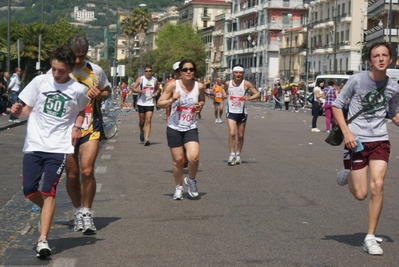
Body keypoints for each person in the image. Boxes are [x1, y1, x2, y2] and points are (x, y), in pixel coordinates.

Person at [10, 45, 90, 258]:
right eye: (53, 69)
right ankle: (48, 209)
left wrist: (76, 126)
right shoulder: (39, 82)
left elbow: (82, 111)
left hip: (58, 146)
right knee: (28, 189)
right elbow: (27, 108)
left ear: (71, 69)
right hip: (34, 143)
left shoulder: (78, 90)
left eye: (61, 71)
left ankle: (42, 240)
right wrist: (18, 112)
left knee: (49, 191)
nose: (56, 74)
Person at [333, 41, 399, 255]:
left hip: (380, 140)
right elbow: (336, 105)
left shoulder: (394, 86)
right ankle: (347, 174)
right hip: (357, 141)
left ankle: (369, 237)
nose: (380, 58)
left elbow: (393, 112)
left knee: (378, 185)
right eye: (376, 55)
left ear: (391, 59)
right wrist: (347, 133)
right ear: (369, 60)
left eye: (384, 55)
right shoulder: (357, 80)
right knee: (361, 194)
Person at [65, 35, 111, 235]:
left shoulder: (95, 70)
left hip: (90, 127)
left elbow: (107, 90)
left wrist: (99, 95)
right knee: (73, 174)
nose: (77, 61)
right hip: (65, 130)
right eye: (74, 57)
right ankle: (77, 211)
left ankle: (86, 212)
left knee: (86, 171)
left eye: (81, 57)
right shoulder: (58, 71)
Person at [157, 59, 205, 200]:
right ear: (180, 72)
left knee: (194, 157)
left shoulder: (199, 87)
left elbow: (202, 100)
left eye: (191, 69)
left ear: (194, 71)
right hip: (174, 127)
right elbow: (159, 103)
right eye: (185, 70)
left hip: (190, 127)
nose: (188, 72)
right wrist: (172, 100)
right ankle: (178, 187)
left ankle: (191, 180)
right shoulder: (173, 86)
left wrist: (200, 105)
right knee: (178, 160)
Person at [224, 64, 260, 165]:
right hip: (231, 111)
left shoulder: (246, 84)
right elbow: (223, 89)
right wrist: (224, 94)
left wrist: (249, 98)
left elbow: (257, 94)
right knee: (232, 133)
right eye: (236, 72)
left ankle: (238, 154)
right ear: (233, 73)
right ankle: (231, 154)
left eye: (240, 73)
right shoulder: (228, 83)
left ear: (243, 74)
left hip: (242, 112)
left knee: (240, 135)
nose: (238, 74)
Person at [131, 65, 159, 146]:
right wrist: (140, 91)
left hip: (150, 103)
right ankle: (141, 131)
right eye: (146, 71)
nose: (148, 72)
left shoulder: (155, 80)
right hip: (141, 103)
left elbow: (158, 89)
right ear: (144, 72)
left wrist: (155, 94)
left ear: (152, 72)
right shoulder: (140, 79)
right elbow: (133, 88)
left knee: (148, 120)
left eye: (150, 71)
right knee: (142, 121)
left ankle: (146, 139)